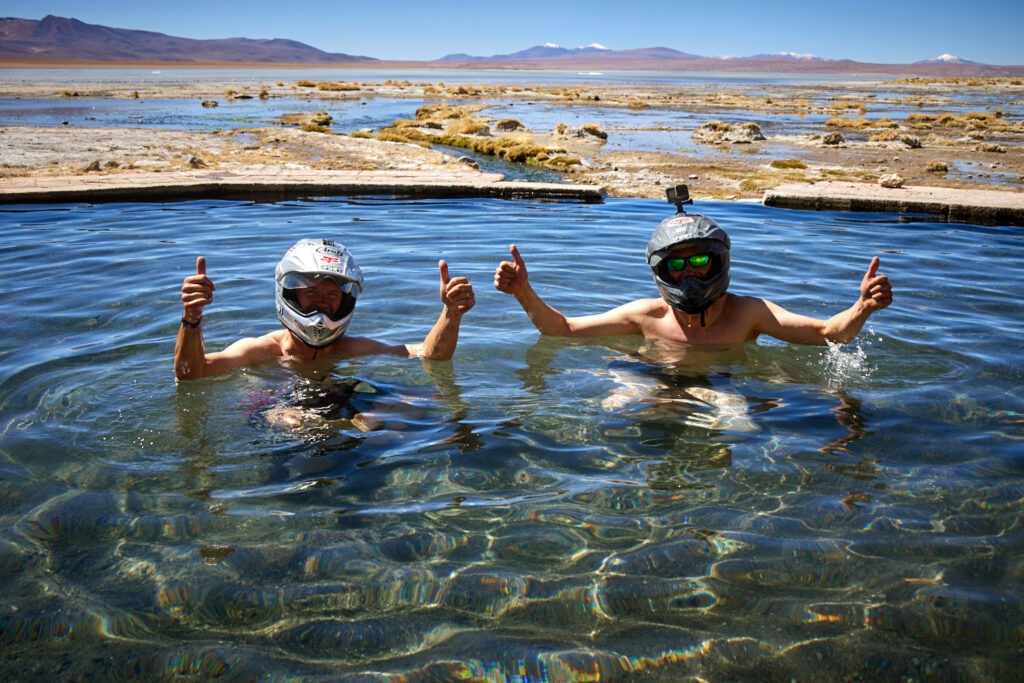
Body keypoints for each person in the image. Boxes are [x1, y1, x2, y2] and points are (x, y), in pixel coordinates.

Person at [493, 188, 892, 347]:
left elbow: (828, 334)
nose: (690, 273)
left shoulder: (749, 314)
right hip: (654, 382)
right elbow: (562, 330)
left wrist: (863, 307)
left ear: (718, 261)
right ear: (662, 272)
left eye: (700, 260)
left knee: (739, 426)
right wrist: (523, 292)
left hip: (722, 387)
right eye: (678, 264)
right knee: (617, 408)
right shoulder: (645, 316)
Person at [175, 238, 475, 380]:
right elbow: (192, 372)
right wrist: (192, 319)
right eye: (310, 292)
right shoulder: (261, 351)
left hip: (340, 431)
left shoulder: (349, 348)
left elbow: (430, 355)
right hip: (275, 434)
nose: (322, 300)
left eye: (332, 293)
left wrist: (451, 313)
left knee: (402, 408)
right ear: (290, 293)